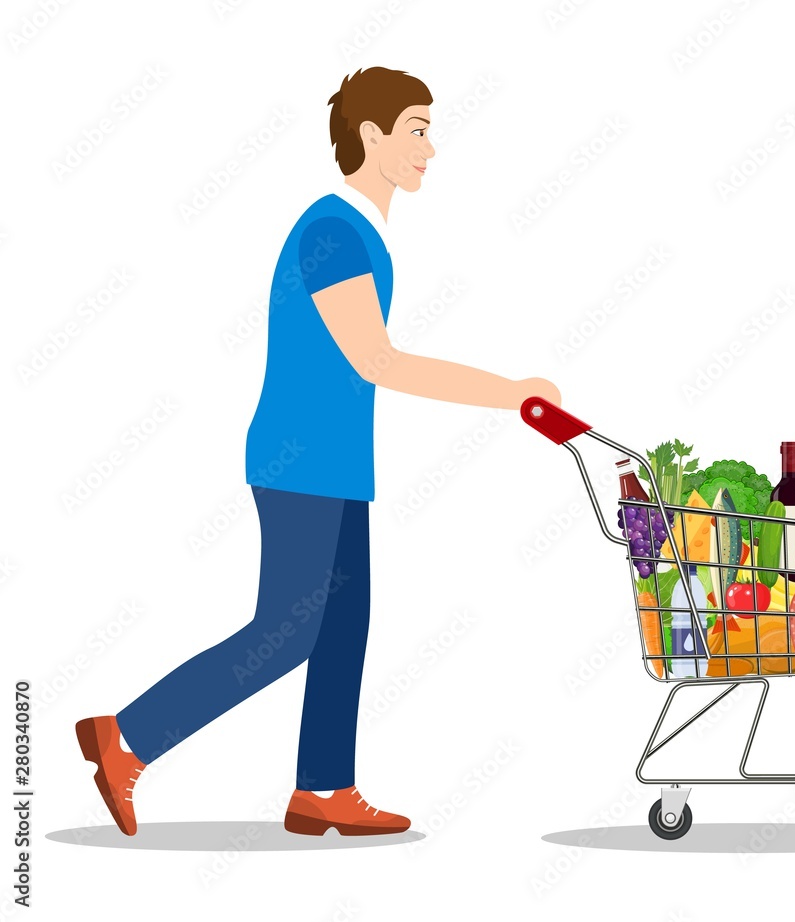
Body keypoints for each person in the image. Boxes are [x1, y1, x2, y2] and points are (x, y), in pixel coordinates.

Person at [76, 66, 561, 838]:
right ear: (370, 135)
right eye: (417, 128)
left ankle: (325, 789)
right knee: (288, 631)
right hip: (300, 463)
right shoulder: (334, 230)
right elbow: (379, 361)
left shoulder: (360, 229)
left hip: (337, 465)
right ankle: (127, 735)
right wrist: (511, 392)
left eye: (430, 129)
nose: (432, 147)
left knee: (343, 627)